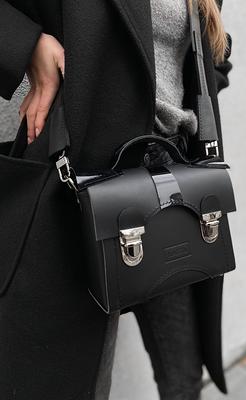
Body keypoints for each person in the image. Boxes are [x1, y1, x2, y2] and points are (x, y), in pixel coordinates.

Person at [0, 0, 232, 399]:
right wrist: (29, 45)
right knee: (77, 383)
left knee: (184, 374)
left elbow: (216, 47)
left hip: (173, 183)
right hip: (78, 185)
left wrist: (203, 85)